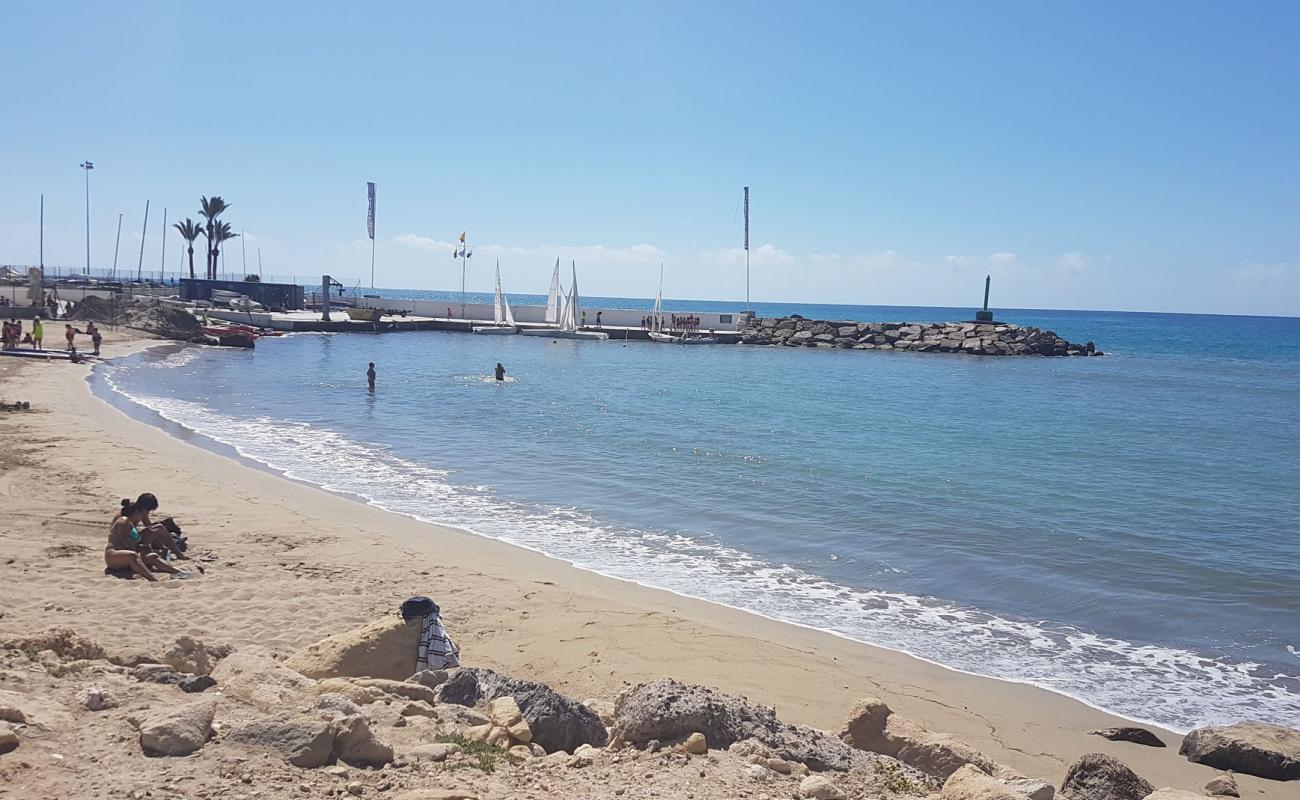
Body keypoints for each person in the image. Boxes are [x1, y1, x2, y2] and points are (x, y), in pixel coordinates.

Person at [105, 499, 184, 581]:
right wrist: (140, 548)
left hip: (128, 554)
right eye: (140, 514)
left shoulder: (131, 523)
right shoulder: (123, 521)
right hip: (114, 555)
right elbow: (125, 543)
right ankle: (152, 579)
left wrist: (144, 548)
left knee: (153, 557)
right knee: (133, 556)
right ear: (136, 512)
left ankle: (177, 572)